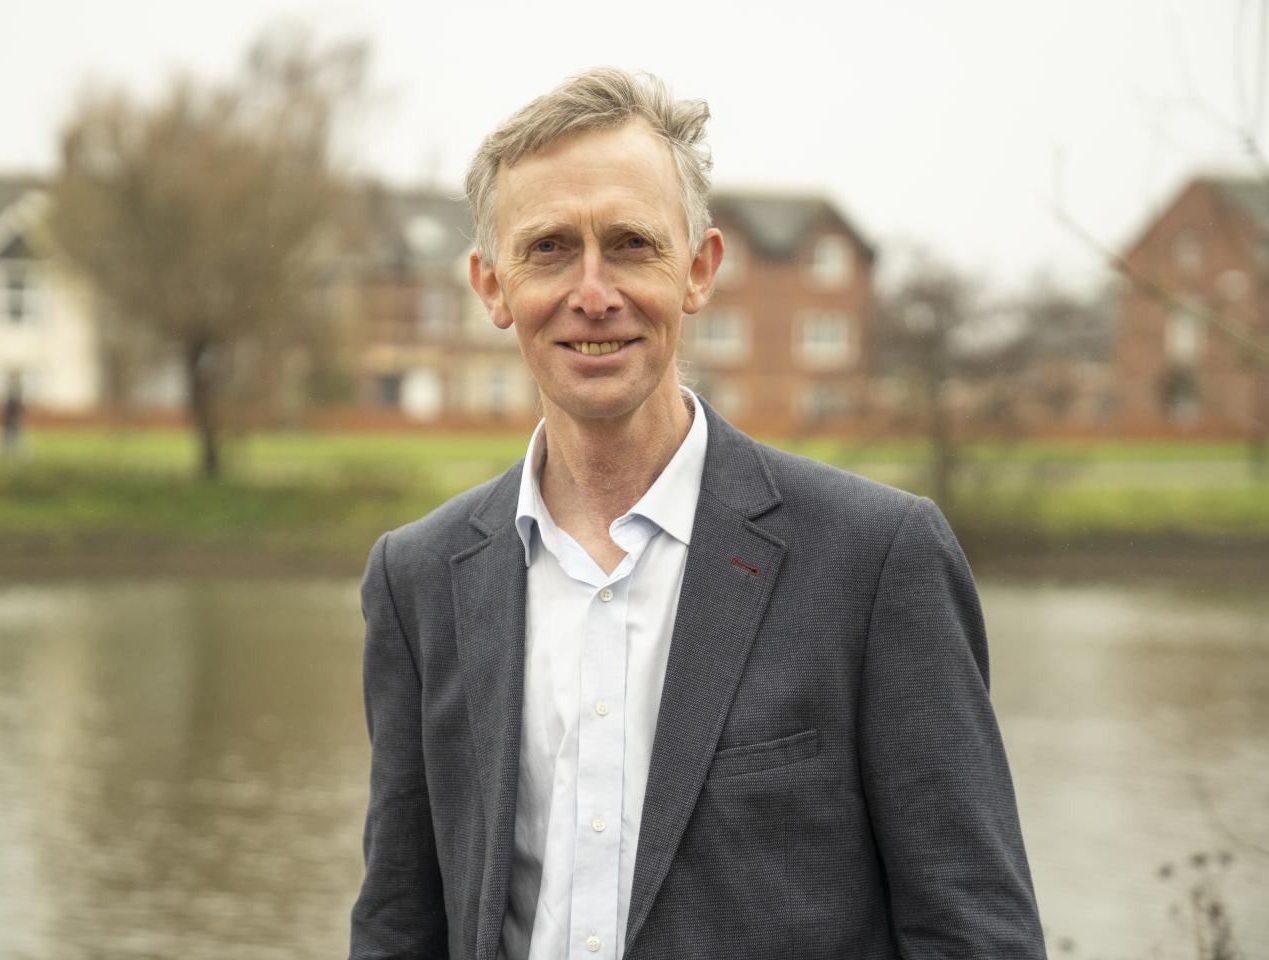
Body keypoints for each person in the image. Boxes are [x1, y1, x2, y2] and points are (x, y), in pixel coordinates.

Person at [350, 68, 1046, 960]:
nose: (592, 292)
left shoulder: (876, 562)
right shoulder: (418, 581)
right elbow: (398, 924)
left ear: (700, 270)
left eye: (633, 244)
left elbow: (974, 933)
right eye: (550, 248)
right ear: (491, 287)